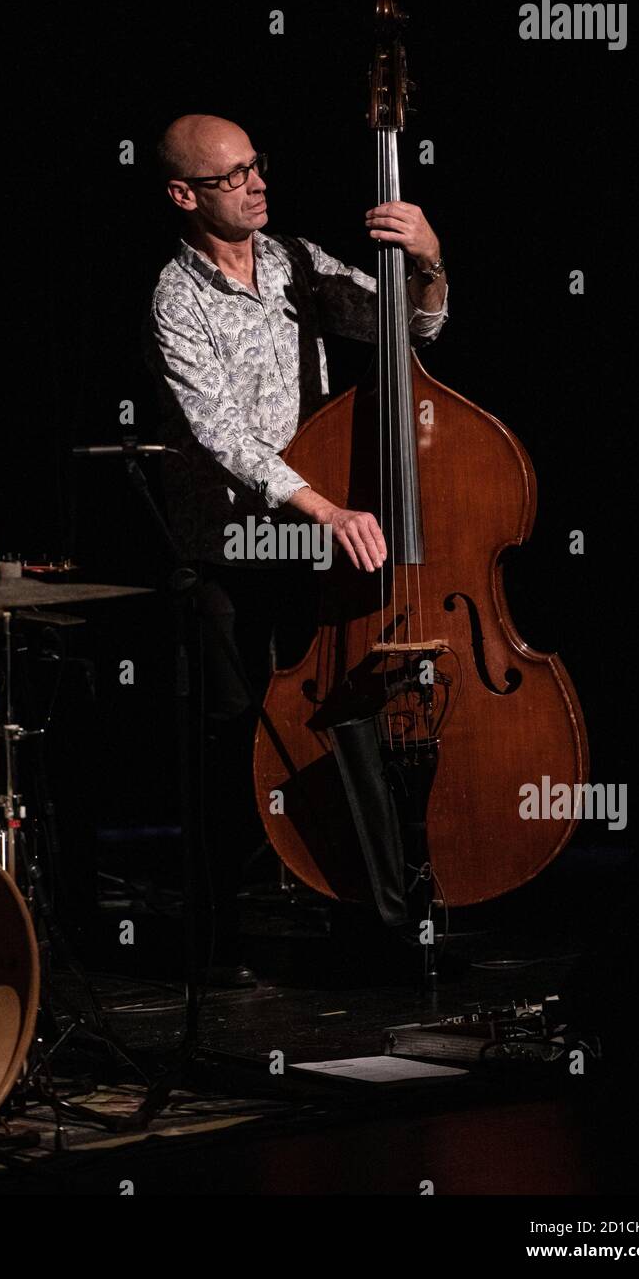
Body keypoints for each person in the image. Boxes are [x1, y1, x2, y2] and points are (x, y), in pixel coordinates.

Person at [143, 114, 448, 985]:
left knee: (336, 721)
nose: (256, 184)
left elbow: (411, 332)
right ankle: (212, 940)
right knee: (235, 738)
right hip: (232, 549)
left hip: (311, 543)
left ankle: (362, 905)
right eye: (233, 175)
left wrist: (426, 259)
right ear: (184, 194)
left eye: (257, 165)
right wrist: (326, 506)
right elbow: (222, 437)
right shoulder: (176, 298)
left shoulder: (294, 262)